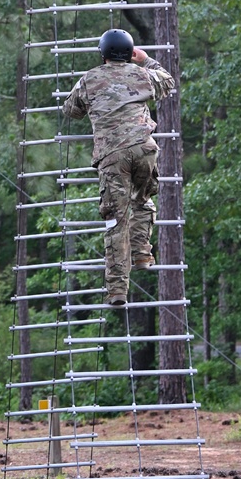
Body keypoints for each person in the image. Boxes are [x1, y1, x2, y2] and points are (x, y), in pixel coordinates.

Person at [62, 28, 175, 307]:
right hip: (144, 149)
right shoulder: (143, 75)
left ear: (102, 53)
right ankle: (142, 255)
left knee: (116, 221)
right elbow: (168, 82)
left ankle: (117, 290)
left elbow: (71, 110)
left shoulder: (89, 79)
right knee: (143, 200)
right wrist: (146, 60)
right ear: (130, 52)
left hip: (113, 157)